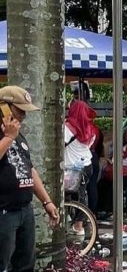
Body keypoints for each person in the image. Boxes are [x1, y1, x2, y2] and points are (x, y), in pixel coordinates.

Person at [0, 86, 59, 272]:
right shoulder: (10, 134)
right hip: (3, 211)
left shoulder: (18, 134)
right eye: (20, 110)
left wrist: (46, 200)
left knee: (25, 263)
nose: (23, 116)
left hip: (24, 210)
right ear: (4, 106)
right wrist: (8, 138)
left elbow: (29, 169)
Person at [64, 100, 98, 235]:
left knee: (68, 195)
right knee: (81, 195)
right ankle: (78, 224)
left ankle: (77, 225)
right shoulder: (91, 129)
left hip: (71, 168)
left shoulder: (68, 127)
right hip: (86, 165)